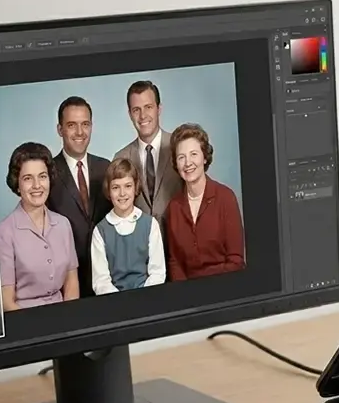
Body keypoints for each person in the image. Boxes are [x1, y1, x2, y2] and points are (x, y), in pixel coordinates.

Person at [0, 142, 80, 311]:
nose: (37, 185)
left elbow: (71, 284)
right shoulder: (3, 233)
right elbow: (6, 302)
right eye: (28, 178)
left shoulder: (63, 224)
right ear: (17, 184)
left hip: (65, 317)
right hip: (24, 320)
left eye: (42, 176)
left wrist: (68, 318)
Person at [47, 96, 112, 297]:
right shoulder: (47, 174)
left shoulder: (106, 168)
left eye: (85, 124)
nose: (80, 132)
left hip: (108, 278)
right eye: (71, 125)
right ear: (60, 130)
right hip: (67, 284)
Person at [164, 122, 245, 281]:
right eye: (181, 157)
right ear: (176, 164)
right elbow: (175, 263)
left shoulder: (226, 198)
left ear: (205, 158)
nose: (188, 163)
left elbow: (236, 261)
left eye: (193, 154)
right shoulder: (174, 207)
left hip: (226, 285)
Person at [90, 157, 165, 295]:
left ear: (136, 187)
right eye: (116, 187)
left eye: (128, 186)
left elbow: (157, 273)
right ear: (108, 190)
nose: (122, 193)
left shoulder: (150, 225)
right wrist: (121, 302)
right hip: (114, 302)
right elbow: (101, 281)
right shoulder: (100, 231)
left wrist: (141, 298)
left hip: (148, 297)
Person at [113, 81, 181, 232]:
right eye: (136, 110)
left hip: (179, 238)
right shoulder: (121, 158)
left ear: (159, 109)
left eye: (148, 107)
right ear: (130, 114)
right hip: (139, 241)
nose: (143, 116)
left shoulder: (178, 146)